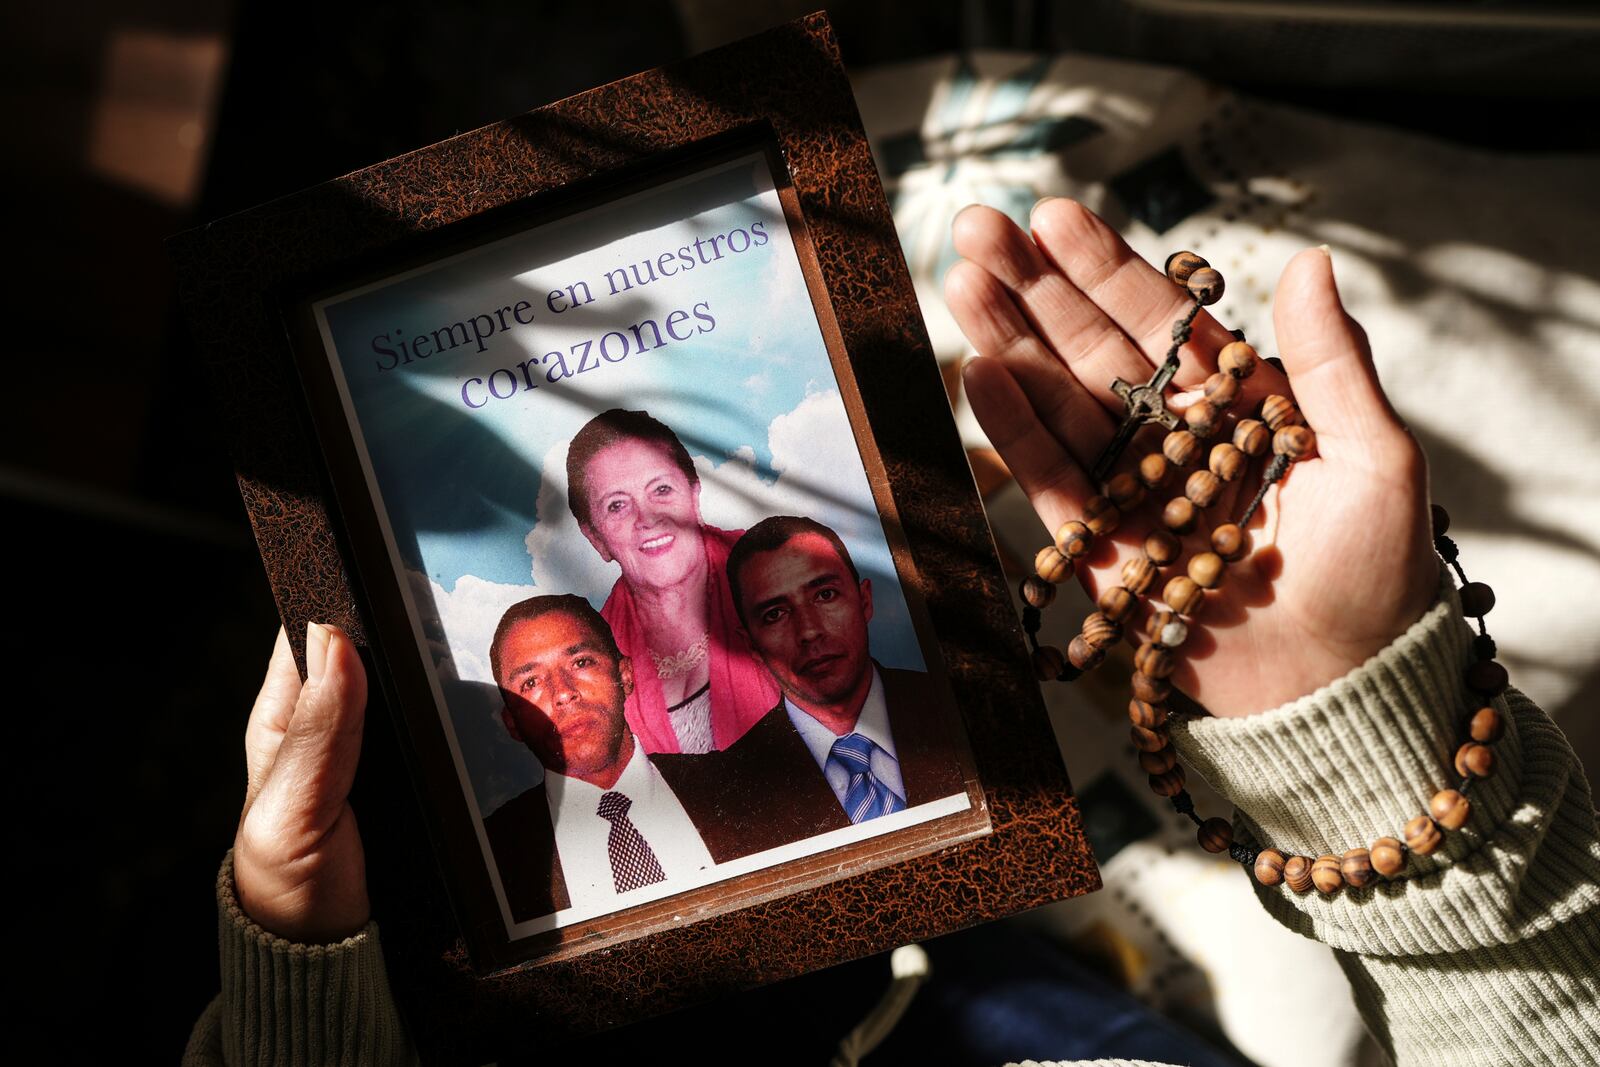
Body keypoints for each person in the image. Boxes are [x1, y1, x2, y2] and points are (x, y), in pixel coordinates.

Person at [188, 200, 1599, 1066]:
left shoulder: (772, 719)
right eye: (612, 511)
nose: (649, 530)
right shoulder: (601, 746)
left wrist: (295, 1003)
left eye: (664, 491)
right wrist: (1367, 765)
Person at [656, 517, 966, 858]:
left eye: (825, 595)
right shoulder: (732, 792)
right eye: (775, 614)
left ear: (864, 601)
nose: (808, 631)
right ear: (752, 647)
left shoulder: (961, 705)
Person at [480, 594, 716, 922]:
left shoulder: (744, 784)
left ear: (625, 676)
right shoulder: (484, 861)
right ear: (512, 724)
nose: (563, 693)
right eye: (530, 682)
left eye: (581, 662)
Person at [566, 408, 778, 755]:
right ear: (596, 538)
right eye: (617, 505)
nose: (647, 518)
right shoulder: (594, 654)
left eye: (661, 489)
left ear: (694, 496)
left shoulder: (776, 570)